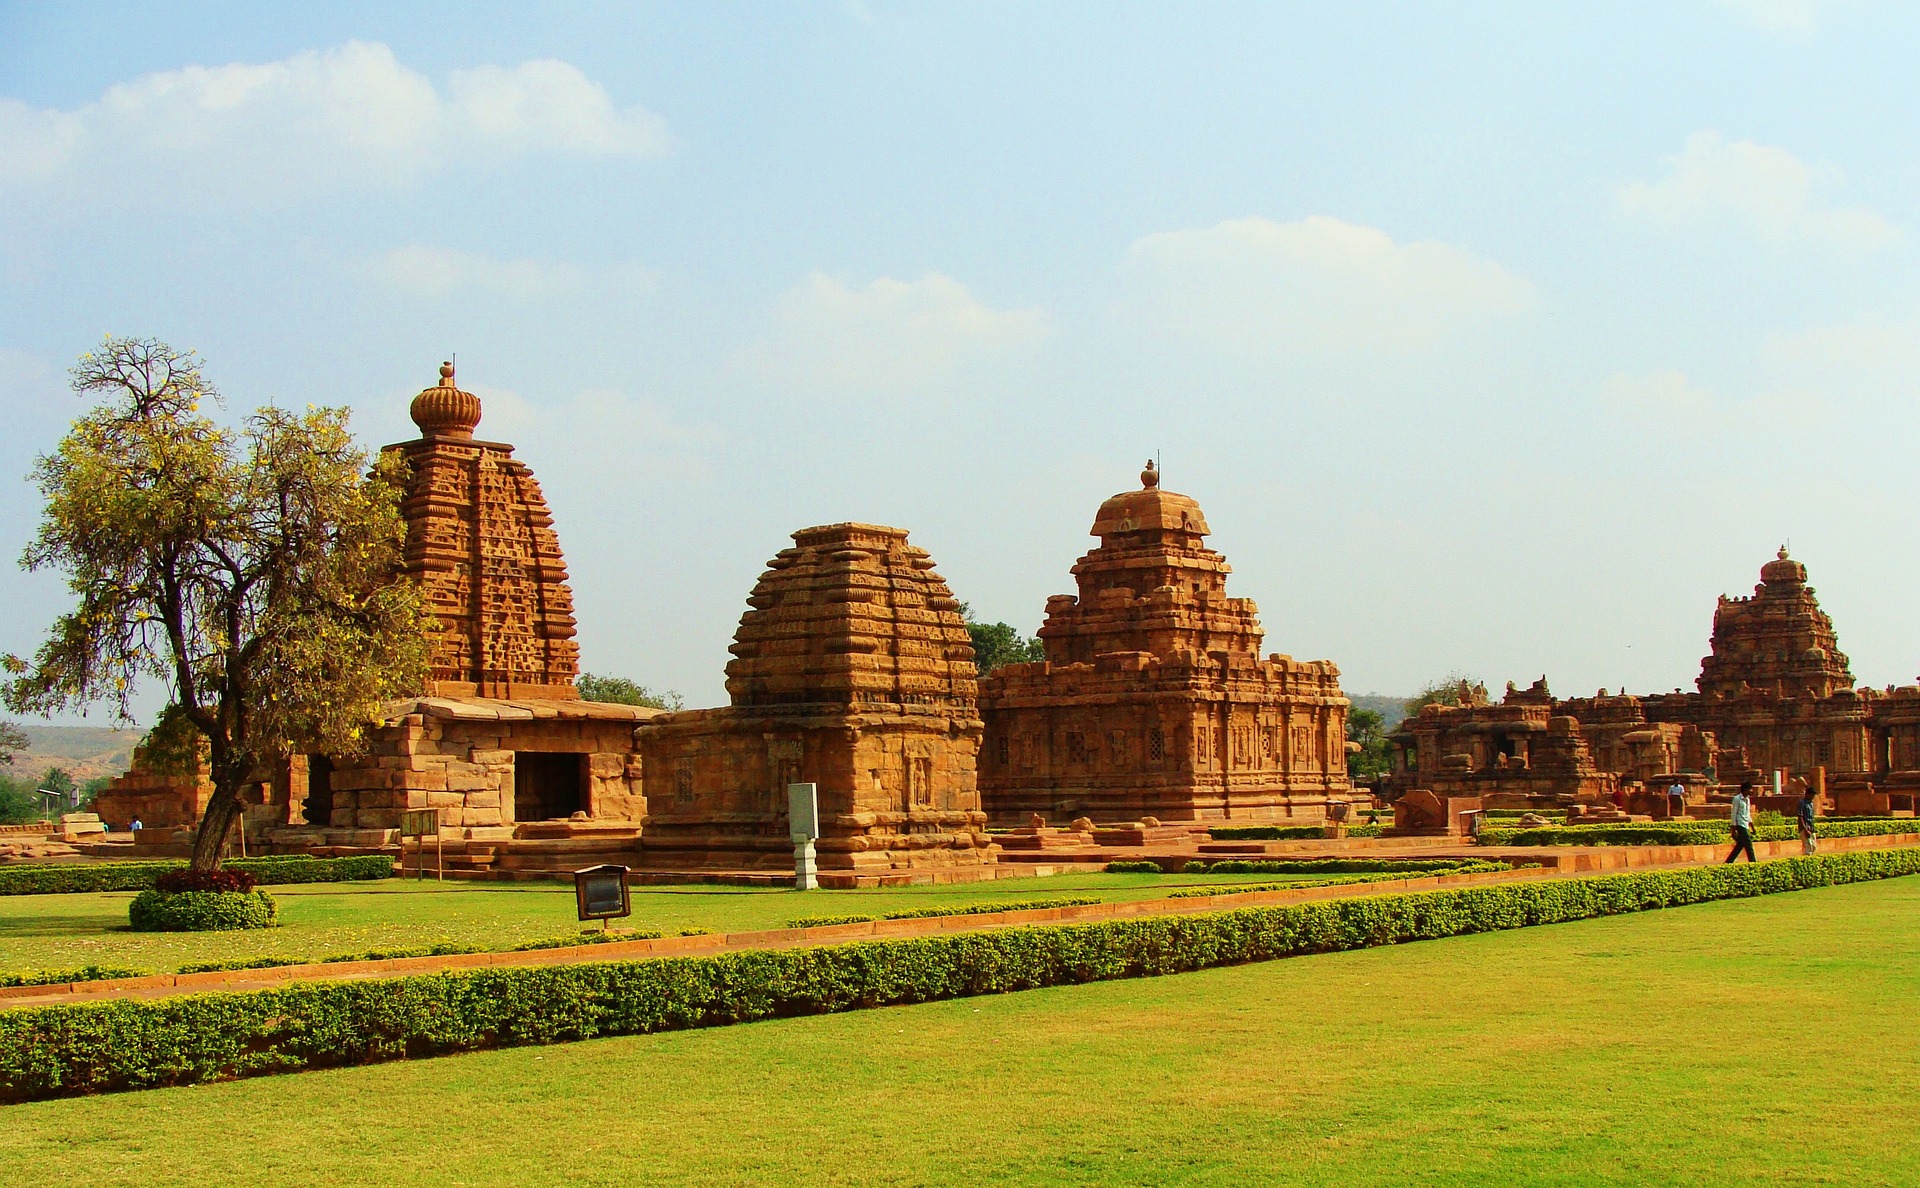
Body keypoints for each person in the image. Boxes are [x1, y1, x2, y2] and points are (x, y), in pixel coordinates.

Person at [1725, 782, 1757, 863]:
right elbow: (1734, 814)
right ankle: (1753, 863)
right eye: (1750, 789)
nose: (1751, 791)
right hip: (1740, 824)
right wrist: (1733, 829)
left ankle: (1728, 862)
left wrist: (1752, 827)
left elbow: (1748, 814)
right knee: (1749, 844)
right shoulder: (1737, 799)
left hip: (1745, 824)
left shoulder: (1747, 799)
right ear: (1745, 790)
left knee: (1740, 845)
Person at [1797, 787, 1818, 855]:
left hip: (1811, 827)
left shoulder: (1810, 803)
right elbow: (1800, 817)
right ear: (1808, 794)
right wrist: (1805, 829)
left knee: (1813, 846)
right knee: (1808, 848)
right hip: (1805, 828)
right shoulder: (1802, 803)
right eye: (1812, 795)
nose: (1813, 797)